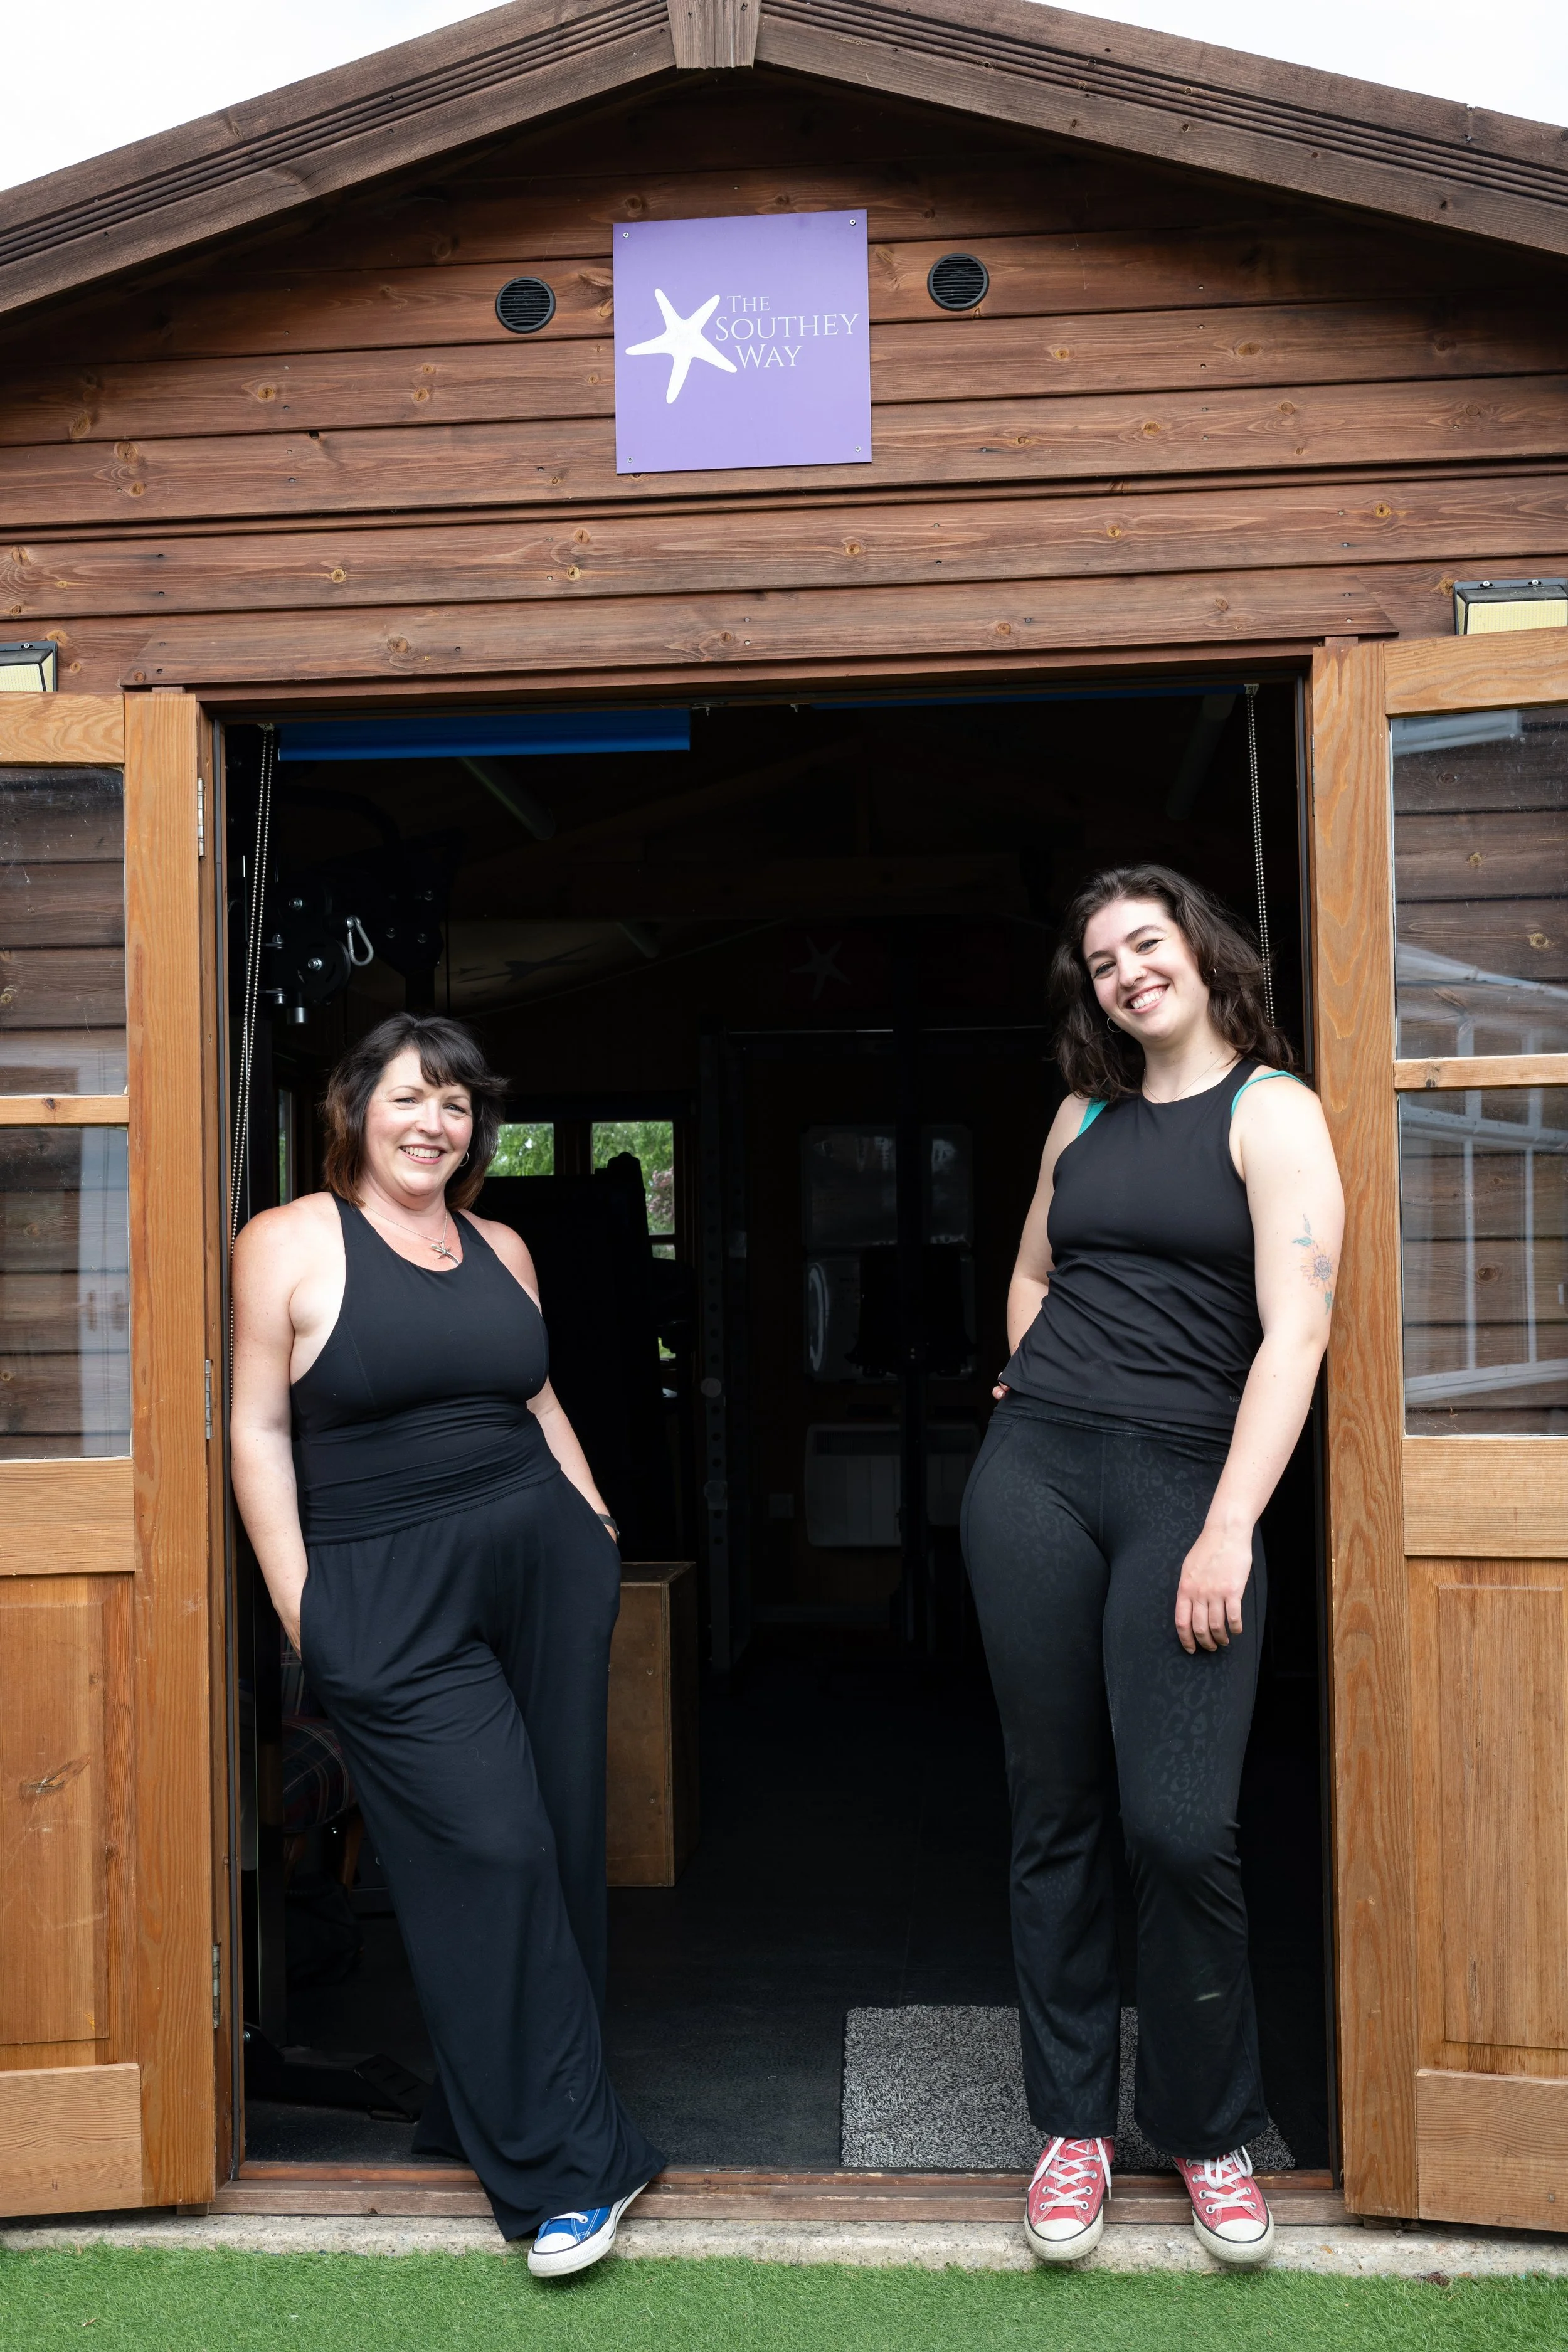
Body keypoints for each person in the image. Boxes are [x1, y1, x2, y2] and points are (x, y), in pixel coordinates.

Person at [230, 1012, 663, 2276]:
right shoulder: (287, 1242)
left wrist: (594, 1522)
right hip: (385, 1589)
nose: (434, 1124)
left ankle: (500, 2112)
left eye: (458, 1105)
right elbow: (256, 1431)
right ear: (355, 1107)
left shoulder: (503, 1247)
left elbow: (535, 1396)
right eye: (411, 1097)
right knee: (493, 1848)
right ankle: (575, 2167)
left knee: (558, 1847)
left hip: (543, 1569)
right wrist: (304, 1607)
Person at [960, 864, 1342, 2269]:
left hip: (1191, 1485)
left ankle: (1203, 2126)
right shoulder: (1081, 1115)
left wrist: (1230, 1525)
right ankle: (1070, 2128)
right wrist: (1032, 1375)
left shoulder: (1272, 1111)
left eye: (1145, 943)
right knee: (1054, 1810)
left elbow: (1296, 1333)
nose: (1126, 973)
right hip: (1036, 1480)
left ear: (1200, 949)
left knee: (1180, 1829)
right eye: (1102, 962)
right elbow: (1031, 1273)